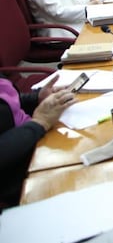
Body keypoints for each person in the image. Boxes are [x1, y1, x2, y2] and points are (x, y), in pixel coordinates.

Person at [0, 72, 76, 206]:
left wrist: (37, 98)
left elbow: (9, 101)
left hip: (32, 136)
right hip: (15, 171)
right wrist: (40, 122)